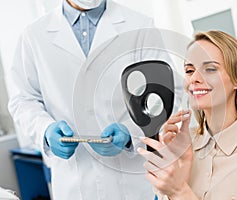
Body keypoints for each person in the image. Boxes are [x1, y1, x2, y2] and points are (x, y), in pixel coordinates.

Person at [7, 0, 161, 199]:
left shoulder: (140, 25)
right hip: (73, 183)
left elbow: (160, 95)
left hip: (131, 182)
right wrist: (45, 129)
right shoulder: (34, 35)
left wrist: (131, 132)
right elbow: (23, 99)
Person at [138, 30, 237, 199]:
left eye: (210, 69)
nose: (194, 78)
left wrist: (179, 191)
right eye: (189, 70)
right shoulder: (182, 145)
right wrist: (177, 167)